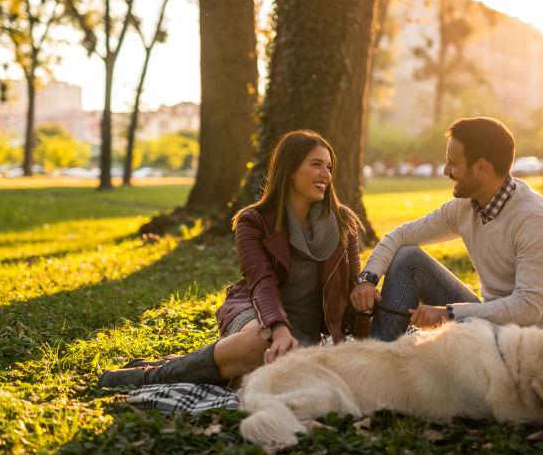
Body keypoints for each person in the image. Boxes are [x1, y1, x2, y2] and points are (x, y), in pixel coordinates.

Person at [98, 130, 365, 388]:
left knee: (260, 374)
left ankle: (177, 364)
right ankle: (151, 376)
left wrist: (367, 295)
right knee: (260, 345)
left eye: (329, 167)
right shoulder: (254, 221)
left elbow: (353, 287)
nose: (326, 175)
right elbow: (262, 282)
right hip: (256, 310)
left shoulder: (343, 223)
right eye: (316, 164)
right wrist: (279, 327)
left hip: (305, 329)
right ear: (290, 168)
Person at [350, 117, 543, 340]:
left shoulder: (535, 220)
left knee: (458, 332)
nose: (446, 170)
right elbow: (400, 235)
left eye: (453, 163)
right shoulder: (465, 207)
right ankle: (379, 351)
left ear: (481, 168)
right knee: (408, 257)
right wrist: (368, 280)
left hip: (537, 341)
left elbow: (527, 308)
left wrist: (449, 313)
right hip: (489, 323)